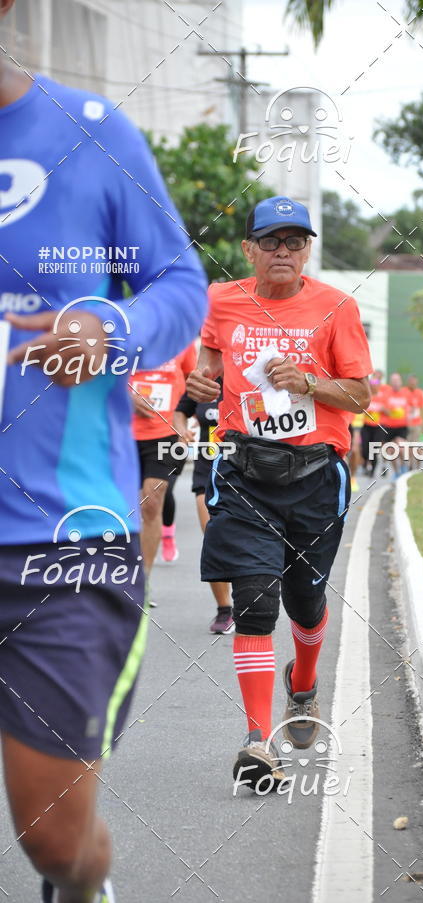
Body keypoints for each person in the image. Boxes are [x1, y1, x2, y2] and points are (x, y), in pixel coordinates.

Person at [0, 16, 207, 902]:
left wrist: (110, 328)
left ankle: (82, 886)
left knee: (55, 837)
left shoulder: (86, 131)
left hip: (60, 536)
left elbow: (179, 284)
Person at [186, 196, 372, 790]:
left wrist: (312, 383)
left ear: (308, 249)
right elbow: (207, 370)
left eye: (295, 241)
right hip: (244, 473)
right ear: (249, 250)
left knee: (306, 604)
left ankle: (305, 682)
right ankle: (256, 741)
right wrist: (199, 382)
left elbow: (360, 397)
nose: (283, 251)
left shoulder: (336, 307)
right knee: (256, 602)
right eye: (271, 241)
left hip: (316, 475)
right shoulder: (221, 302)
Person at [130, 343, 197, 594]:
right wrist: (126, 396)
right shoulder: (122, 331)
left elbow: (195, 381)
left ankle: (142, 582)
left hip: (165, 434)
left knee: (152, 500)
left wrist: (186, 418)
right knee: (120, 505)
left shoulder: (183, 338)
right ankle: (118, 573)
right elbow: (100, 374)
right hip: (122, 433)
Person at [173, 385, 234, 634]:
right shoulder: (203, 381)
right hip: (207, 467)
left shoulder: (253, 373)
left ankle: (251, 600)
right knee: (213, 537)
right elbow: (180, 412)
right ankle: (224, 609)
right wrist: (181, 430)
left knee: (247, 540)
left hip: (249, 469)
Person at [379, 372, 411, 478]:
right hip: (388, 425)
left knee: (401, 446)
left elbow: (409, 408)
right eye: (393, 381)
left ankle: (403, 467)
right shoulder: (386, 393)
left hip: (401, 425)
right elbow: (383, 408)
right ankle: (396, 472)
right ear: (390, 383)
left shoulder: (406, 393)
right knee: (390, 450)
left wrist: (404, 413)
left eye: (397, 381)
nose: (396, 383)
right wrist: (392, 412)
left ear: (401, 382)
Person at [362, 370, 387, 478]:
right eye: (371, 384)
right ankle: (366, 463)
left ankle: (372, 469)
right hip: (366, 425)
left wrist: (382, 409)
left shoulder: (383, 396)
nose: (373, 386)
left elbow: (389, 411)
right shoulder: (366, 396)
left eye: (376, 384)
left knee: (375, 449)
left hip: (379, 426)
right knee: (364, 448)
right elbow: (360, 409)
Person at [406, 374, 423, 470]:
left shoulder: (419, 393)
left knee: (417, 446)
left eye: (414, 381)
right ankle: (411, 465)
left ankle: (417, 466)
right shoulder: (404, 392)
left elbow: (422, 408)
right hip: (407, 424)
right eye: (411, 381)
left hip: (418, 424)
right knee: (409, 447)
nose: (413, 383)